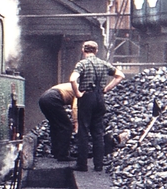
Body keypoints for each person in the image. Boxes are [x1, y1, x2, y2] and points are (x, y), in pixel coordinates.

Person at [70, 40, 124, 172]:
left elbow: (72, 79)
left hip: (87, 98)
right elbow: (120, 75)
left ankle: (82, 165)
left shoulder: (82, 64)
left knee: (83, 131)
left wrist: (77, 93)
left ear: (83, 50)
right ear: (96, 51)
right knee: (98, 132)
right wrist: (106, 89)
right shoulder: (103, 64)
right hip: (100, 98)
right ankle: (98, 165)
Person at [38, 81, 77, 160]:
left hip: (43, 98)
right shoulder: (80, 90)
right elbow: (75, 108)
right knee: (67, 126)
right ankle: (63, 155)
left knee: (55, 125)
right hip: (53, 98)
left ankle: (55, 152)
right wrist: (75, 122)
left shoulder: (73, 86)